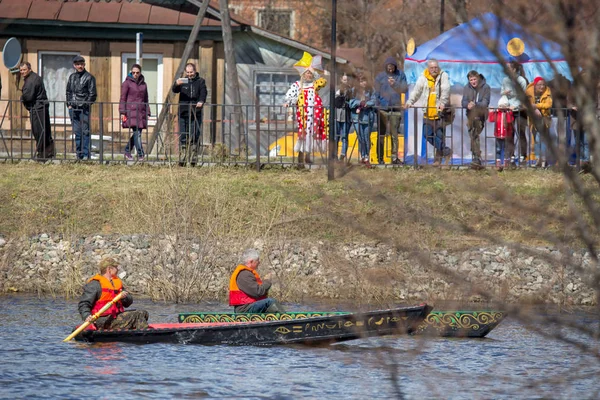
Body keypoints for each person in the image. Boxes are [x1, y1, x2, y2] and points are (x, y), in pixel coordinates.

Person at [78, 257, 149, 330]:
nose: (118, 269)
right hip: (102, 320)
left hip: (115, 317)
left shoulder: (116, 283)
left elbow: (128, 303)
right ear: (109, 269)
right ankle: (144, 335)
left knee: (143, 313)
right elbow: (84, 304)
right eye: (116, 267)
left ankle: (139, 329)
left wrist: (124, 297)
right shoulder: (95, 285)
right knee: (138, 315)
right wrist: (86, 315)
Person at [405, 59, 452, 167]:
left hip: (440, 113)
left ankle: (438, 161)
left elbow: (446, 90)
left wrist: (442, 103)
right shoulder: (423, 77)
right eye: (432, 68)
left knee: (440, 137)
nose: (434, 69)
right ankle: (446, 151)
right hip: (428, 113)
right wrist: (410, 101)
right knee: (427, 134)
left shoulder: (443, 76)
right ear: (428, 68)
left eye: (436, 67)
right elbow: (416, 91)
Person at [284, 52, 326, 167]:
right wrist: (288, 103)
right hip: (303, 114)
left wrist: (315, 70)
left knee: (311, 133)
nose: (308, 75)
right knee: (303, 133)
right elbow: (290, 95)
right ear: (303, 74)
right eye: (307, 73)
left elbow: (323, 82)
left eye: (310, 73)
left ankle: (308, 156)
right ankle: (300, 158)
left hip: (315, 114)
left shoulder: (314, 85)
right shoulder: (298, 85)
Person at [172, 63, 207, 166]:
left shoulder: (200, 81)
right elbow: (174, 90)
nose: (189, 74)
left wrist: (201, 101)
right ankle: (182, 156)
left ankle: (193, 157)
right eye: (187, 72)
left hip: (195, 112)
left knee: (194, 134)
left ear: (195, 71)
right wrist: (176, 84)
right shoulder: (182, 81)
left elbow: (203, 93)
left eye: (191, 72)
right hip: (183, 112)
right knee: (183, 134)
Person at [374, 56, 408, 165]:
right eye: (388, 67)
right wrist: (377, 105)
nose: (390, 69)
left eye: (392, 67)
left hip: (395, 108)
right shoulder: (380, 77)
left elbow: (404, 89)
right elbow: (376, 92)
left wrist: (395, 84)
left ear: (395, 66)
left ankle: (394, 158)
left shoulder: (400, 75)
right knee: (381, 134)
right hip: (383, 109)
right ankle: (380, 158)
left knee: (395, 135)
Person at [229, 248, 284, 314]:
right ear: (251, 261)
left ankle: (280, 319)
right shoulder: (244, 275)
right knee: (270, 302)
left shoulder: (248, 273)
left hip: (250, 305)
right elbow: (258, 292)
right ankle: (287, 319)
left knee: (268, 303)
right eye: (257, 260)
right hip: (244, 309)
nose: (259, 262)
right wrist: (267, 281)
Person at [19, 62, 55, 160]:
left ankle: (43, 155)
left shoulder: (31, 80)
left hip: (37, 108)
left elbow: (28, 96)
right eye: (21, 70)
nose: (22, 72)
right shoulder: (34, 77)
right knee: (45, 130)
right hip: (41, 107)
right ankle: (49, 153)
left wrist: (22, 97)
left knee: (39, 131)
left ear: (29, 69)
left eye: (24, 70)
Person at [66, 55, 97, 160]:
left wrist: (84, 104)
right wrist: (69, 104)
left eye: (81, 64)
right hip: (73, 109)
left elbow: (92, 95)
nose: (80, 66)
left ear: (84, 65)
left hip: (84, 109)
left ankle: (85, 155)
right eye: (77, 64)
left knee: (85, 131)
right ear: (74, 65)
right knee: (77, 132)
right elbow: (68, 92)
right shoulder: (72, 77)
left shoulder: (89, 77)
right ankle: (79, 154)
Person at [120, 64, 150, 161]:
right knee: (137, 133)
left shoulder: (143, 84)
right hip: (131, 112)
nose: (135, 74)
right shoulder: (126, 83)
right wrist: (122, 112)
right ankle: (141, 155)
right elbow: (123, 98)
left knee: (137, 133)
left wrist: (148, 112)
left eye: (137, 72)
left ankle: (127, 151)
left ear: (140, 72)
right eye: (133, 72)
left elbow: (146, 99)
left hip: (141, 112)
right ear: (130, 72)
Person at [461, 70, 490, 169]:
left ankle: (476, 157)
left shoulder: (485, 87)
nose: (473, 82)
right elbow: (463, 101)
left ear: (478, 78)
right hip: (470, 115)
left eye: (474, 79)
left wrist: (475, 104)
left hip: (480, 115)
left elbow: (485, 103)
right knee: (472, 136)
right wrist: (467, 105)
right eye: (471, 80)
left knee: (475, 135)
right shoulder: (466, 87)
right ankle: (476, 158)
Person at [501, 61, 528, 166]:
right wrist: (504, 95)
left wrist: (515, 106)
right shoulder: (505, 80)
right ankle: (511, 155)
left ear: (514, 69)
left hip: (520, 110)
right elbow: (502, 91)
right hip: (509, 109)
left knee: (521, 133)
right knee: (509, 133)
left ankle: (523, 156)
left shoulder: (521, 80)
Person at [350, 74, 377, 167]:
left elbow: (374, 101)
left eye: (365, 81)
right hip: (357, 117)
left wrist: (366, 103)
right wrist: (359, 103)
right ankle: (363, 156)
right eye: (361, 81)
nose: (363, 83)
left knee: (366, 137)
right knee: (360, 137)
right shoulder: (354, 90)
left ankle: (367, 157)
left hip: (368, 117)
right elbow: (351, 102)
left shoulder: (371, 90)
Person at [526, 76, 553, 168]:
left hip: (544, 119)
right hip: (533, 119)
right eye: (539, 85)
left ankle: (544, 160)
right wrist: (534, 109)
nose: (542, 87)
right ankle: (538, 159)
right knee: (536, 140)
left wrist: (537, 106)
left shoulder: (547, 92)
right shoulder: (529, 92)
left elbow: (548, 104)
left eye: (543, 85)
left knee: (542, 139)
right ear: (535, 85)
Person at [334, 72, 353, 162]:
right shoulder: (337, 89)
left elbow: (350, 101)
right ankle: (334, 154)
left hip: (346, 115)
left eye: (347, 80)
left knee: (344, 136)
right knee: (336, 136)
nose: (345, 82)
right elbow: (336, 101)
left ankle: (343, 154)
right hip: (337, 114)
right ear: (341, 79)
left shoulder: (350, 90)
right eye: (344, 80)